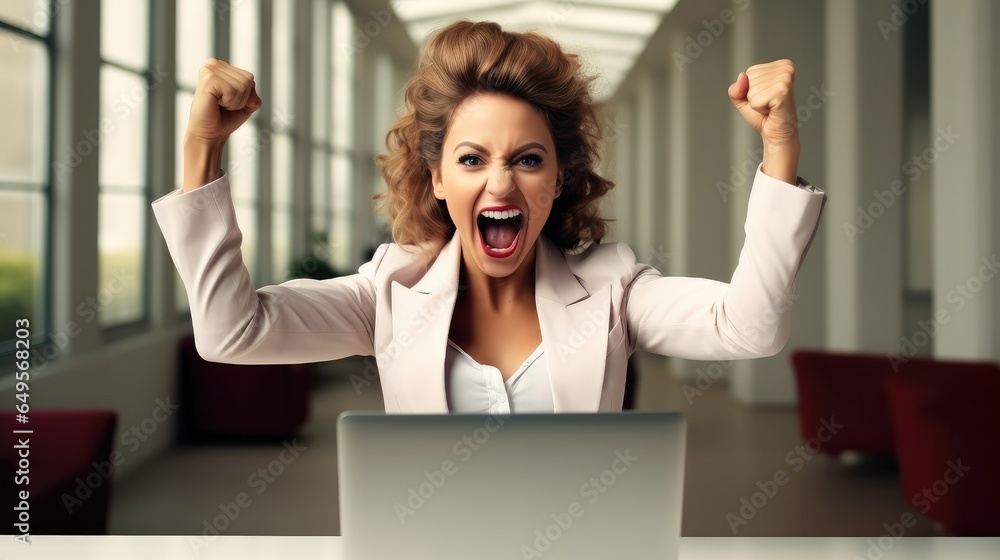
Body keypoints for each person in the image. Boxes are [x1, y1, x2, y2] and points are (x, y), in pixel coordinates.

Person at [152, 20, 825, 414]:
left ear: (559, 178)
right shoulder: (386, 292)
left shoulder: (617, 289)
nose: (501, 182)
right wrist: (202, 148)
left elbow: (751, 329)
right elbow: (232, 335)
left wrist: (778, 149)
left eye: (528, 160)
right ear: (438, 177)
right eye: (473, 159)